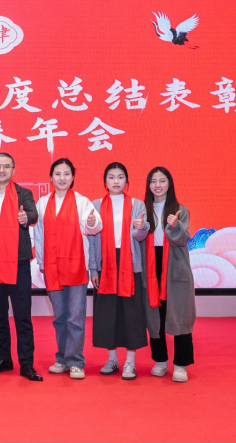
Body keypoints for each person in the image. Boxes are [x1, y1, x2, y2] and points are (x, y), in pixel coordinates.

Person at [0, 152, 42, 381]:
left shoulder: (24, 194)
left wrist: (25, 218)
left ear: (13, 170)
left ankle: (26, 363)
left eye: (6, 166)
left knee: (22, 315)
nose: (1, 170)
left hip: (18, 261)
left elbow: (33, 214)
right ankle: (4, 359)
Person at [34, 158, 102, 380]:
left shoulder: (83, 202)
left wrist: (91, 222)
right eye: (58, 174)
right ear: (51, 177)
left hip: (76, 267)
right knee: (60, 317)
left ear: (73, 177)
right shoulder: (43, 203)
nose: (62, 178)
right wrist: (41, 262)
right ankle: (61, 359)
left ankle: (76, 362)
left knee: (75, 317)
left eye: (66, 174)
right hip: (52, 267)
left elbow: (95, 227)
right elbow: (39, 235)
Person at [89, 162, 149, 381]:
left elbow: (140, 237)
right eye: (111, 177)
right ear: (105, 182)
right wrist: (93, 268)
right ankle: (112, 359)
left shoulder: (137, 204)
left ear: (127, 181)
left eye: (120, 177)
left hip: (129, 264)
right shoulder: (95, 205)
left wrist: (141, 227)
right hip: (105, 264)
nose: (116, 181)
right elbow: (92, 238)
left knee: (131, 312)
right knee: (107, 312)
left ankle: (130, 362)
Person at [143, 166, 196, 383]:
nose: (157, 185)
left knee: (180, 315)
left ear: (169, 184)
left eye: (162, 180)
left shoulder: (181, 210)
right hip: (150, 265)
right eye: (153, 181)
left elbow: (182, 240)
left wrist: (174, 226)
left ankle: (181, 364)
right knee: (155, 317)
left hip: (174, 266)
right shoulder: (143, 211)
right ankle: (161, 360)